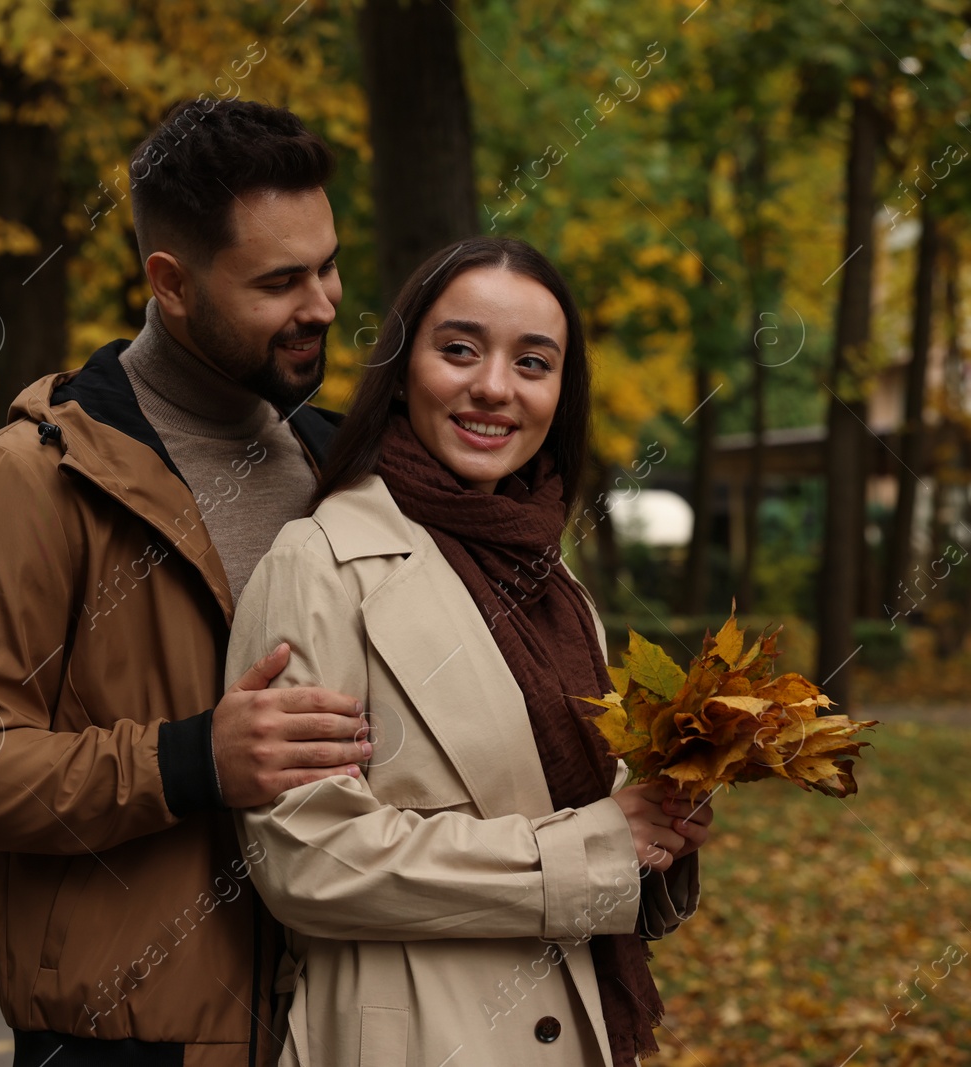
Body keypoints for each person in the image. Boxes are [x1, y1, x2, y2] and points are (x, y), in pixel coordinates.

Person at [0, 100, 374, 1066]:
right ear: (172, 283)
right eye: (280, 280)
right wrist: (190, 760)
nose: (323, 304)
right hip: (129, 1046)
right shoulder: (29, 480)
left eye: (326, 264)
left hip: (343, 1032)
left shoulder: (345, 467)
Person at [228, 237, 712, 1066]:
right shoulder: (320, 564)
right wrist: (592, 849)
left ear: (561, 393)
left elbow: (587, 811)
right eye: (459, 350)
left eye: (533, 362)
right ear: (403, 365)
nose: (493, 386)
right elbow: (306, 857)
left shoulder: (552, 580)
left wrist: (659, 832)